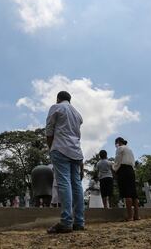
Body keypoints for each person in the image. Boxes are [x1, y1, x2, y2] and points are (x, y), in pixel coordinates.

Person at [46, 91, 85, 234]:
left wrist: (51, 149)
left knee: (64, 183)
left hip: (60, 148)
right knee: (77, 185)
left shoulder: (56, 108)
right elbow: (77, 136)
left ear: (58, 99)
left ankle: (66, 222)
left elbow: (49, 130)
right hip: (76, 152)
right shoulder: (77, 114)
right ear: (70, 99)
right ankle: (79, 222)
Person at [113, 137, 140, 221]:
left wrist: (114, 169)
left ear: (118, 142)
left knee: (127, 193)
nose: (115, 145)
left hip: (123, 170)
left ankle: (130, 216)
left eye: (116, 143)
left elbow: (118, 161)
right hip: (131, 170)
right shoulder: (129, 149)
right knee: (134, 194)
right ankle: (136, 215)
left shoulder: (120, 148)